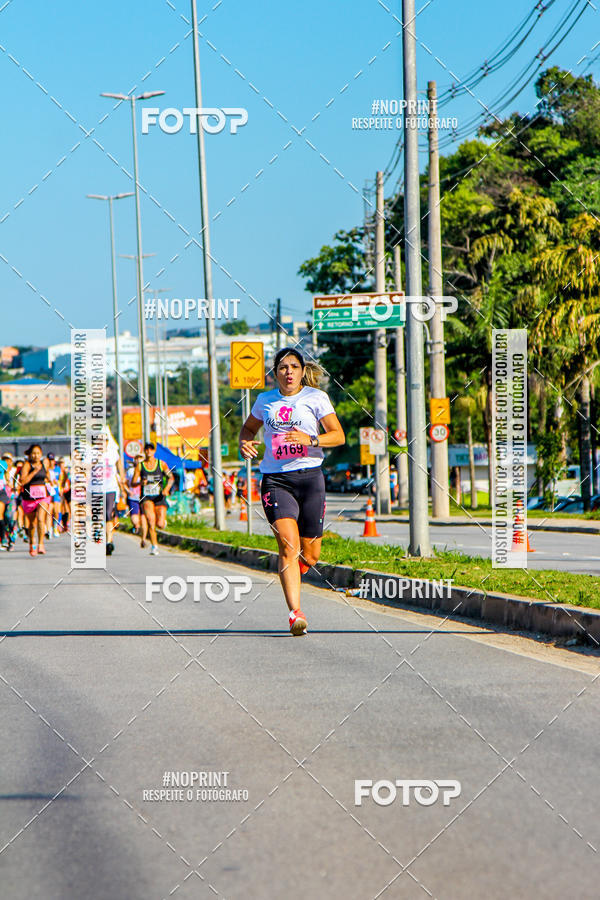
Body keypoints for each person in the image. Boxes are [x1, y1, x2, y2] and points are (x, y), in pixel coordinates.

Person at [238, 348, 345, 635]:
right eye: (283, 367)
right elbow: (248, 429)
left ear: (301, 371)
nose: (288, 372)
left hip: (311, 478)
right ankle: (295, 614)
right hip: (276, 480)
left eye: (294, 367)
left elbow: (338, 435)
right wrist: (245, 442)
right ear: (275, 373)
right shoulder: (265, 401)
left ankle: (295, 572)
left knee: (309, 555)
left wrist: (310, 438)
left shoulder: (315, 397)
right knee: (288, 546)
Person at [131, 442, 174, 555]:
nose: (149, 452)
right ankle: (154, 546)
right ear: (144, 451)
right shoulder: (140, 466)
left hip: (159, 496)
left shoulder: (161, 464)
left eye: (151, 449)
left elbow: (171, 478)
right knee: (151, 520)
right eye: (147, 449)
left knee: (159, 524)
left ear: (154, 451)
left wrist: (167, 489)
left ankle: (162, 522)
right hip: (146, 496)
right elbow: (133, 483)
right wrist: (141, 482)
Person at [19, 444, 53, 556]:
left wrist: (50, 480)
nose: (36, 455)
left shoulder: (45, 463)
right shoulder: (27, 465)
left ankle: (41, 544)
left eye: (38, 453)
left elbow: (47, 475)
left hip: (43, 496)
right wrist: (34, 472)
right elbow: (23, 481)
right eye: (33, 453)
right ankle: (32, 542)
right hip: (29, 497)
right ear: (30, 454)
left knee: (40, 519)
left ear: (41, 454)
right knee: (32, 524)